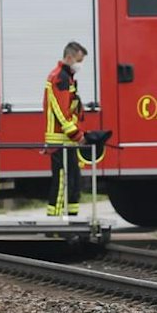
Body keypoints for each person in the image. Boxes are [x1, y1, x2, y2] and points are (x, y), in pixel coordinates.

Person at [43, 41, 88, 217]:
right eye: (79, 60)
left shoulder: (67, 77)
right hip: (60, 139)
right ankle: (54, 222)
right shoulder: (59, 77)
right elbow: (61, 112)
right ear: (69, 57)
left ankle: (72, 218)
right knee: (62, 182)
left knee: (74, 181)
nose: (80, 65)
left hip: (67, 139)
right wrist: (77, 134)